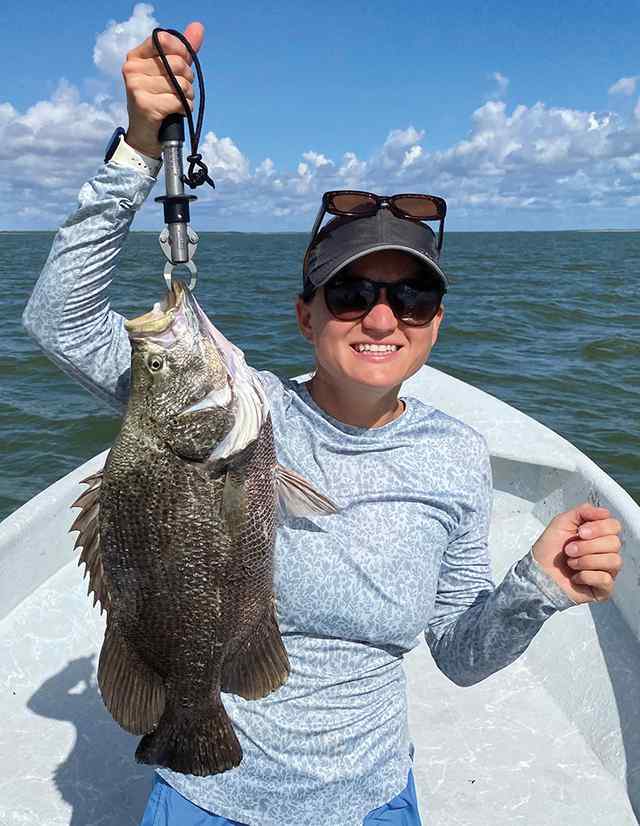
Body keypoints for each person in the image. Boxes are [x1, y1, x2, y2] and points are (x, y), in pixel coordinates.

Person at [22, 22, 623, 826]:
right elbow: (59, 321)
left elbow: (459, 655)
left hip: (370, 800)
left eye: (410, 298)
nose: (381, 316)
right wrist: (136, 147)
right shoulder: (245, 413)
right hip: (205, 791)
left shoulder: (453, 456)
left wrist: (539, 586)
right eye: (350, 295)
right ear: (306, 317)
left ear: (435, 326)